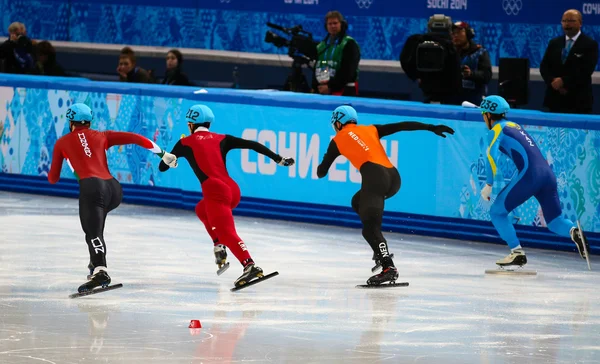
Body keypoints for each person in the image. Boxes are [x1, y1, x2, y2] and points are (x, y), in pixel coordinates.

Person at [158, 104, 295, 288]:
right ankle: (219, 245)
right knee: (201, 209)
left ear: (191, 124)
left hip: (214, 190)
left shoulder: (184, 143)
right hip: (232, 189)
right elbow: (252, 144)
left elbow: (163, 167)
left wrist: (170, 156)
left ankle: (250, 265)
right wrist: (278, 159)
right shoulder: (222, 138)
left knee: (227, 232)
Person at [316, 105, 454, 285]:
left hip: (375, 179)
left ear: (339, 123)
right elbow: (402, 125)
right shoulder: (371, 129)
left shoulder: (337, 140)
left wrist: (323, 164)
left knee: (369, 229)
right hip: (393, 178)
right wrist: (430, 127)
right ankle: (379, 247)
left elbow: (321, 172)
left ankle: (388, 267)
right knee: (357, 201)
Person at [48, 103, 177, 293]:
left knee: (93, 232)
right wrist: (163, 154)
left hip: (92, 188)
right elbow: (136, 138)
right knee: (94, 227)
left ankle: (100, 270)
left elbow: (53, 178)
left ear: (70, 122)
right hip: (114, 190)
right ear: (89, 122)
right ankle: (95, 263)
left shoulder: (62, 142)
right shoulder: (102, 135)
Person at [479, 95, 590, 266]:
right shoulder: (515, 126)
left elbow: (491, 157)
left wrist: (488, 184)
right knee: (555, 221)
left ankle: (516, 253)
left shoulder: (496, 130)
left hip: (530, 175)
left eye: (483, 115)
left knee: (496, 212)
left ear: (488, 115)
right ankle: (573, 231)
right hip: (547, 175)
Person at [540, 9, 599, 114]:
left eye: (571, 21)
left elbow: (586, 71)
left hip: (578, 101)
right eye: (564, 21)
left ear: (580, 23)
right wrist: (553, 82)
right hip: (555, 100)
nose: (567, 24)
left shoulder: (590, 44)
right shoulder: (554, 43)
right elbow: (544, 67)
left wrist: (564, 82)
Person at [313, 11, 360, 96]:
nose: (332, 26)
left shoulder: (349, 44)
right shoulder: (321, 46)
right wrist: (317, 86)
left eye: (335, 23)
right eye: (330, 24)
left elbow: (348, 71)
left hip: (345, 91)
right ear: (326, 26)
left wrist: (330, 86)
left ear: (342, 24)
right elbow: (321, 65)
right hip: (323, 91)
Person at [451, 21, 492, 106]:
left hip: (474, 100)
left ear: (468, 34)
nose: (455, 35)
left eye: (459, 32)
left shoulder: (480, 52)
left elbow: (487, 75)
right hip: (453, 100)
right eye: (453, 33)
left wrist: (471, 74)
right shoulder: (450, 53)